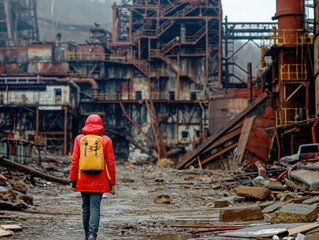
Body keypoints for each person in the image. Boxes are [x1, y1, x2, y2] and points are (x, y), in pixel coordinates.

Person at [70, 114, 116, 240]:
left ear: (86, 124)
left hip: (82, 179)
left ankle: (86, 235)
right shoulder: (106, 140)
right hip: (100, 180)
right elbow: (111, 163)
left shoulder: (79, 139)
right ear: (101, 124)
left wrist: (73, 180)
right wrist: (112, 182)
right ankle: (92, 235)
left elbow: (75, 161)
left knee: (85, 207)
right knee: (95, 207)